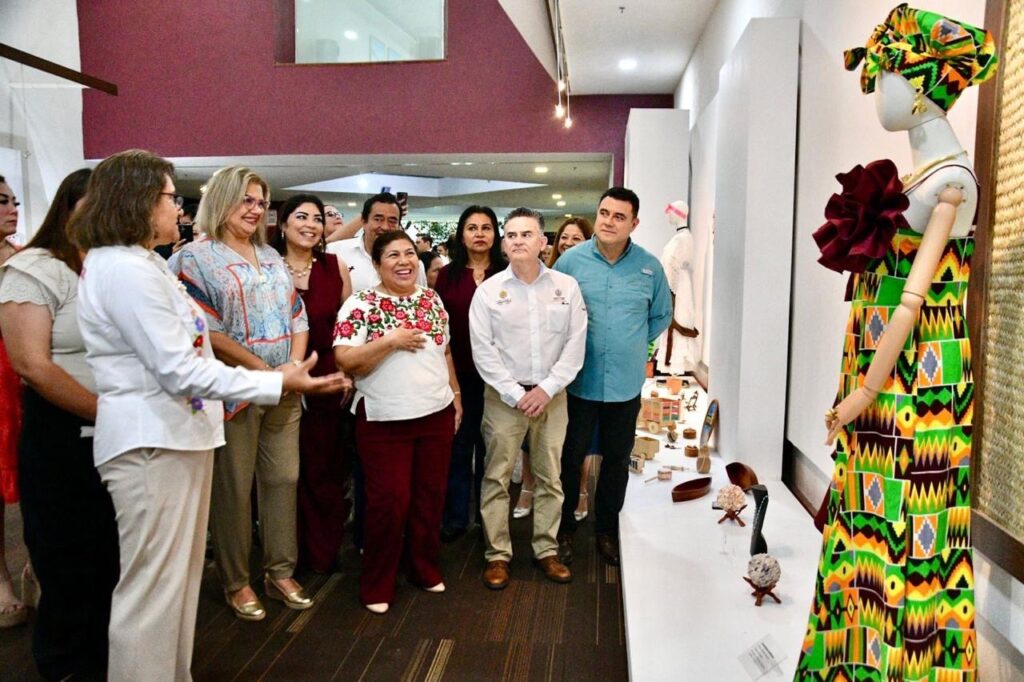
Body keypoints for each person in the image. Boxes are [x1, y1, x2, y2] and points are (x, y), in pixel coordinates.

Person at [71, 149, 346, 681]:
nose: (178, 208)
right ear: (138, 200)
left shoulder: (145, 263)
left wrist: (282, 374)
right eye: (170, 197)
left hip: (176, 434)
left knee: (173, 587)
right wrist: (275, 380)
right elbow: (181, 368)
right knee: (153, 593)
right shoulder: (125, 269)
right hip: (152, 440)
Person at [797, 7, 997, 678]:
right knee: (865, 527)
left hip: (918, 380)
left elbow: (915, 300)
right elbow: (883, 296)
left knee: (913, 534)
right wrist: (854, 382)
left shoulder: (952, 179)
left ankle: (907, 666)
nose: (875, 91)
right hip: (880, 368)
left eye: (883, 76)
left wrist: (865, 390)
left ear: (919, 85)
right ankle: (851, 660)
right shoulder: (921, 176)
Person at [173, 166, 317, 621]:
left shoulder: (270, 256)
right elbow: (208, 331)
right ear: (221, 200)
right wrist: (267, 374)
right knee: (234, 489)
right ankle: (236, 581)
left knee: (283, 480)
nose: (255, 210)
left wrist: (292, 368)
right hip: (232, 393)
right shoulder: (193, 259)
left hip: (285, 391)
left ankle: (280, 572)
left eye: (261, 202)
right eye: (246, 200)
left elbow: (297, 314)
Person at [0, 168, 120, 679]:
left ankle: (106, 660)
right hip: (63, 433)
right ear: (69, 206)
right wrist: (109, 413)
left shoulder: (118, 266)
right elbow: (32, 364)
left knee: (111, 557)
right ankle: (65, 666)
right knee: (66, 557)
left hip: (119, 434)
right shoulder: (35, 268)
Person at [334, 230, 462, 614]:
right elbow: (345, 359)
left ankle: (424, 567)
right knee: (389, 504)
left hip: (435, 414)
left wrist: (455, 395)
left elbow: (446, 351)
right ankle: (377, 582)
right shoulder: (361, 303)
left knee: (429, 498)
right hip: (384, 419)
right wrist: (391, 340)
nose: (404, 261)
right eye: (393, 255)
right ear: (377, 264)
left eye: (409, 253)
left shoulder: (431, 299)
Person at [554, 187, 672, 566]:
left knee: (617, 461)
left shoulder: (650, 267)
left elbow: (661, 316)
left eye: (619, 216)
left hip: (624, 384)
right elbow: (553, 311)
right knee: (570, 459)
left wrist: (632, 343)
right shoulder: (570, 262)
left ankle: (606, 530)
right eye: (604, 213)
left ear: (634, 224)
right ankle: (564, 530)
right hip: (578, 381)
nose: (608, 221)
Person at [469, 208, 586, 590]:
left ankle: (546, 550)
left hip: (552, 396)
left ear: (542, 242)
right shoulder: (488, 292)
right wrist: (516, 393)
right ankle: (497, 555)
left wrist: (546, 389)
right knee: (497, 477)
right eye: (512, 235)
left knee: (551, 476)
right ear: (504, 244)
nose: (518, 240)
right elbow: (483, 351)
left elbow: (575, 344)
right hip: (504, 397)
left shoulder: (566, 287)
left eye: (526, 234)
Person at [271, 194, 355, 574]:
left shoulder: (335, 266)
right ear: (283, 224)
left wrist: (349, 373)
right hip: (275, 379)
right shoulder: (266, 266)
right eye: (301, 217)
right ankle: (283, 551)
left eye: (317, 219)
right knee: (282, 471)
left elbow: (349, 328)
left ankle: (322, 551)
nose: (310, 225)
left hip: (327, 380)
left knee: (324, 468)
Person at [433, 206, 505, 542]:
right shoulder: (448, 275)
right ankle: (456, 517)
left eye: (486, 227)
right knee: (458, 448)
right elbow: (440, 328)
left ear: (495, 234)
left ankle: (488, 520)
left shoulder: (506, 272)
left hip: (499, 377)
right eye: (472, 227)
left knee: (493, 450)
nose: (479, 234)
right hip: (458, 374)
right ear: (461, 234)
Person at [516, 216, 595, 520]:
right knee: (530, 438)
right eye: (564, 237)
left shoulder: (581, 277)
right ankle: (528, 486)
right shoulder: (539, 275)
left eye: (577, 238)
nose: (568, 243)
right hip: (538, 376)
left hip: (578, 372)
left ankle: (580, 491)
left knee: (576, 440)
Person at [0, 173, 27, 630]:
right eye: (2, 201)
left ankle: (35, 566)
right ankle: (1, 580)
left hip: (24, 377)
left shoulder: (25, 259)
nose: (12, 209)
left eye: (15, 201)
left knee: (35, 477)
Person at [325, 192, 425, 291]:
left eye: (392, 221)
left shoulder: (412, 264)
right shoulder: (335, 252)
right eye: (378, 219)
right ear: (364, 222)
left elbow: (420, 297)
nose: (385, 227)